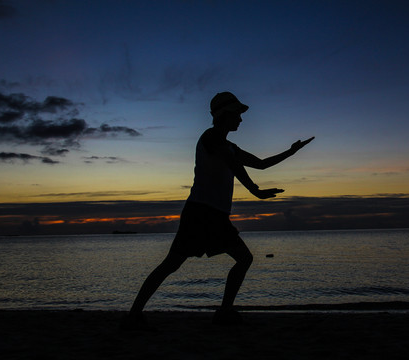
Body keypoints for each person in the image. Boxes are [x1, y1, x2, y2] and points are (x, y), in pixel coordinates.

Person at [122, 92, 314, 329]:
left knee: (238, 259)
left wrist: (291, 151)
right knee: (174, 264)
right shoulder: (212, 137)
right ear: (225, 115)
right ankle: (137, 315)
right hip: (201, 213)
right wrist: (255, 191)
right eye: (237, 115)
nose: (241, 120)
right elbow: (233, 165)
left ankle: (221, 312)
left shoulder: (228, 145)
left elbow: (261, 164)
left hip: (213, 214)